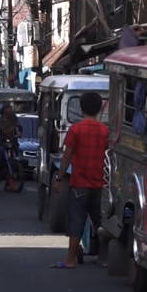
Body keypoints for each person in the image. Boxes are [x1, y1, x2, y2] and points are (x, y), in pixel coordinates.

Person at [51, 92, 108, 269]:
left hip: (79, 183)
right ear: (100, 108)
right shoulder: (105, 131)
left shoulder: (76, 129)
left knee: (76, 221)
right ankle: (104, 258)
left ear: (81, 108)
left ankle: (70, 259)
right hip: (100, 183)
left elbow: (67, 155)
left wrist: (59, 178)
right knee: (101, 222)